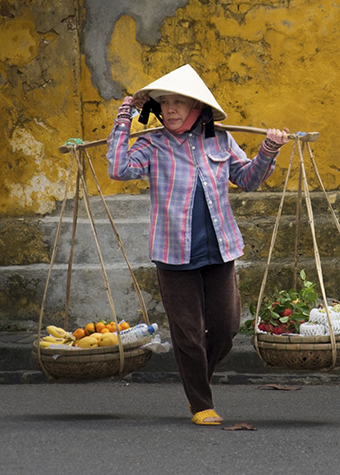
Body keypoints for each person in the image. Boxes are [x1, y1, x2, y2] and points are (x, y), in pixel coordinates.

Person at [106, 64, 289, 426]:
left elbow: (248, 180)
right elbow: (118, 168)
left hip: (220, 249)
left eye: (179, 102)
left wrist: (269, 149)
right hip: (174, 253)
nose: (170, 109)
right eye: (165, 103)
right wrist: (124, 117)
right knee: (188, 334)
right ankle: (200, 402)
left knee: (226, 327)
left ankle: (195, 377)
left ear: (197, 109)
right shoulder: (151, 144)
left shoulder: (220, 141)